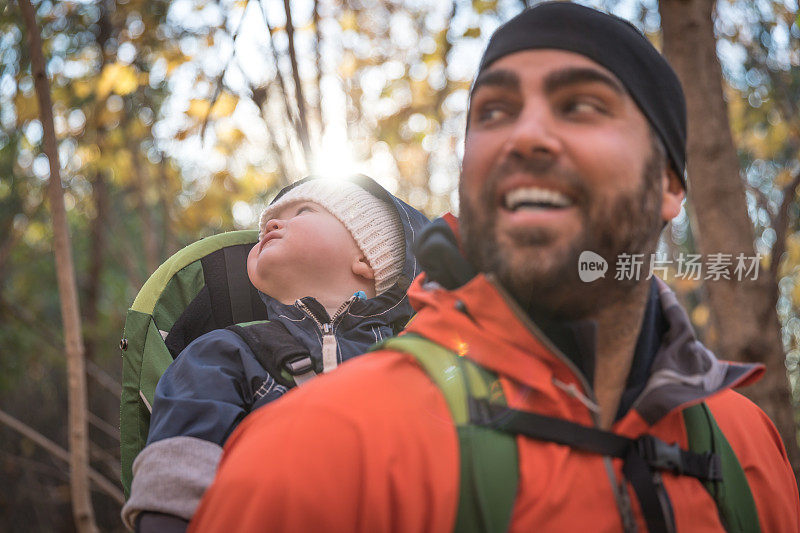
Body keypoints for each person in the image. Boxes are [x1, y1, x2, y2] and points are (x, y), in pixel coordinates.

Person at [190, 3, 800, 532]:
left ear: (669, 185)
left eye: (581, 105)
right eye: (494, 112)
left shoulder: (747, 444)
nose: (524, 135)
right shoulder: (316, 452)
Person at [121, 175, 429, 531]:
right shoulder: (225, 353)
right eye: (270, 220)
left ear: (367, 257)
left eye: (304, 210)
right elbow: (178, 471)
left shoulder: (417, 368)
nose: (272, 223)